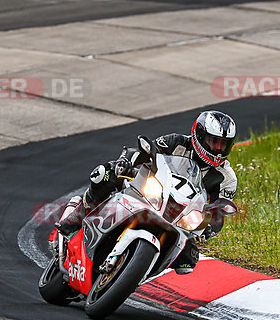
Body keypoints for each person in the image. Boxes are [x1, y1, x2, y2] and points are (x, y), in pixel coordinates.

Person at [56, 110, 238, 274]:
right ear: (198, 134)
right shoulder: (177, 142)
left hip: (180, 218)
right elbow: (147, 151)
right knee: (104, 174)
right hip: (150, 192)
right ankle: (78, 215)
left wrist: (209, 225)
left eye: (223, 145)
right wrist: (126, 162)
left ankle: (136, 272)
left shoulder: (227, 178)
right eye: (213, 142)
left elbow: (219, 212)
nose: (217, 149)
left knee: (188, 260)